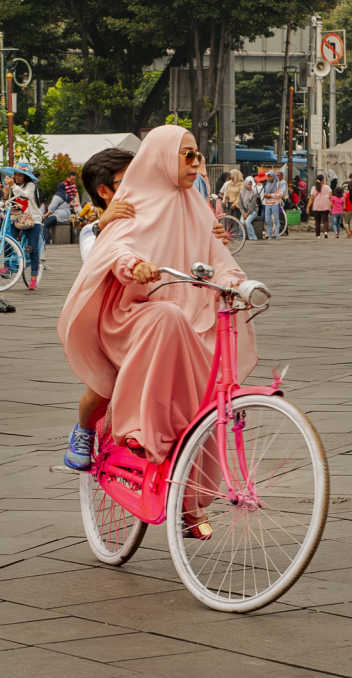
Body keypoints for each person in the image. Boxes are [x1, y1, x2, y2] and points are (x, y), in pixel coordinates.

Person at [57, 126, 257, 523]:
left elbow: (216, 255)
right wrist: (133, 264)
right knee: (105, 383)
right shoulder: (129, 204)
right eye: (187, 155)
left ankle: (192, 501)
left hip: (188, 309)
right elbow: (115, 246)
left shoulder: (196, 204)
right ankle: (130, 432)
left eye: (197, 155)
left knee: (210, 387)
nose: (196, 163)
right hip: (133, 311)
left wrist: (235, 281)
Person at [5, 162, 44, 290]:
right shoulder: (13, 186)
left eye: (20, 175)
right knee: (8, 239)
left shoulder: (31, 185)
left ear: (25, 176)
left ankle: (33, 276)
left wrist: (12, 186)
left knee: (32, 247)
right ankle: (6, 267)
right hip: (18, 219)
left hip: (33, 219)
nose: (17, 178)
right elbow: (11, 203)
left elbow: (26, 195)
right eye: (15, 175)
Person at [43, 182, 73, 246]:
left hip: (58, 215)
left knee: (45, 225)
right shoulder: (67, 196)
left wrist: (46, 215)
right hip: (67, 215)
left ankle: (47, 242)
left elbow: (52, 208)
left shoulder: (57, 195)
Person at [262, 170, 285, 239]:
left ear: (274, 176)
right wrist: (265, 195)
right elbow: (266, 192)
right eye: (268, 176)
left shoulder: (278, 184)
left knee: (276, 219)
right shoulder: (267, 184)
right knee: (268, 220)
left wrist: (271, 195)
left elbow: (280, 194)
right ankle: (269, 234)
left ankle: (276, 234)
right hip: (268, 204)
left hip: (275, 203)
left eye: (271, 176)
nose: (269, 178)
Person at [309, 173, 331, 238]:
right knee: (325, 220)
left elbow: (311, 198)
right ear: (323, 180)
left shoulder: (313, 188)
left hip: (316, 206)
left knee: (317, 221)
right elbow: (330, 196)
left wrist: (308, 207)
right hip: (325, 206)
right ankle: (325, 232)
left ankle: (318, 235)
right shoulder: (327, 187)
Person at [239, 176, 260, 242]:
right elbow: (241, 205)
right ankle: (241, 237)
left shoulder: (254, 193)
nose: (250, 186)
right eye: (248, 184)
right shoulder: (241, 193)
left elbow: (252, 205)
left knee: (247, 222)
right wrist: (243, 213)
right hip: (244, 211)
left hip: (253, 211)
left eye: (250, 184)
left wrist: (247, 214)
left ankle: (253, 237)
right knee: (241, 222)